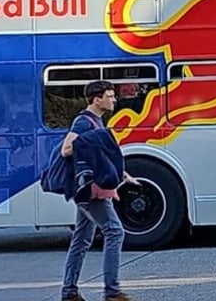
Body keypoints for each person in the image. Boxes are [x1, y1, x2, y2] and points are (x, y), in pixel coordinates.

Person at [60, 80, 140, 301]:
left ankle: (69, 292)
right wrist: (93, 139)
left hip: (91, 189)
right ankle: (112, 291)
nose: (114, 99)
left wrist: (124, 176)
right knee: (115, 231)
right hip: (90, 190)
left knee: (81, 239)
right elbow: (66, 149)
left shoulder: (96, 122)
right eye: (110, 95)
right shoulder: (84, 122)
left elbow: (99, 156)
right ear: (97, 98)